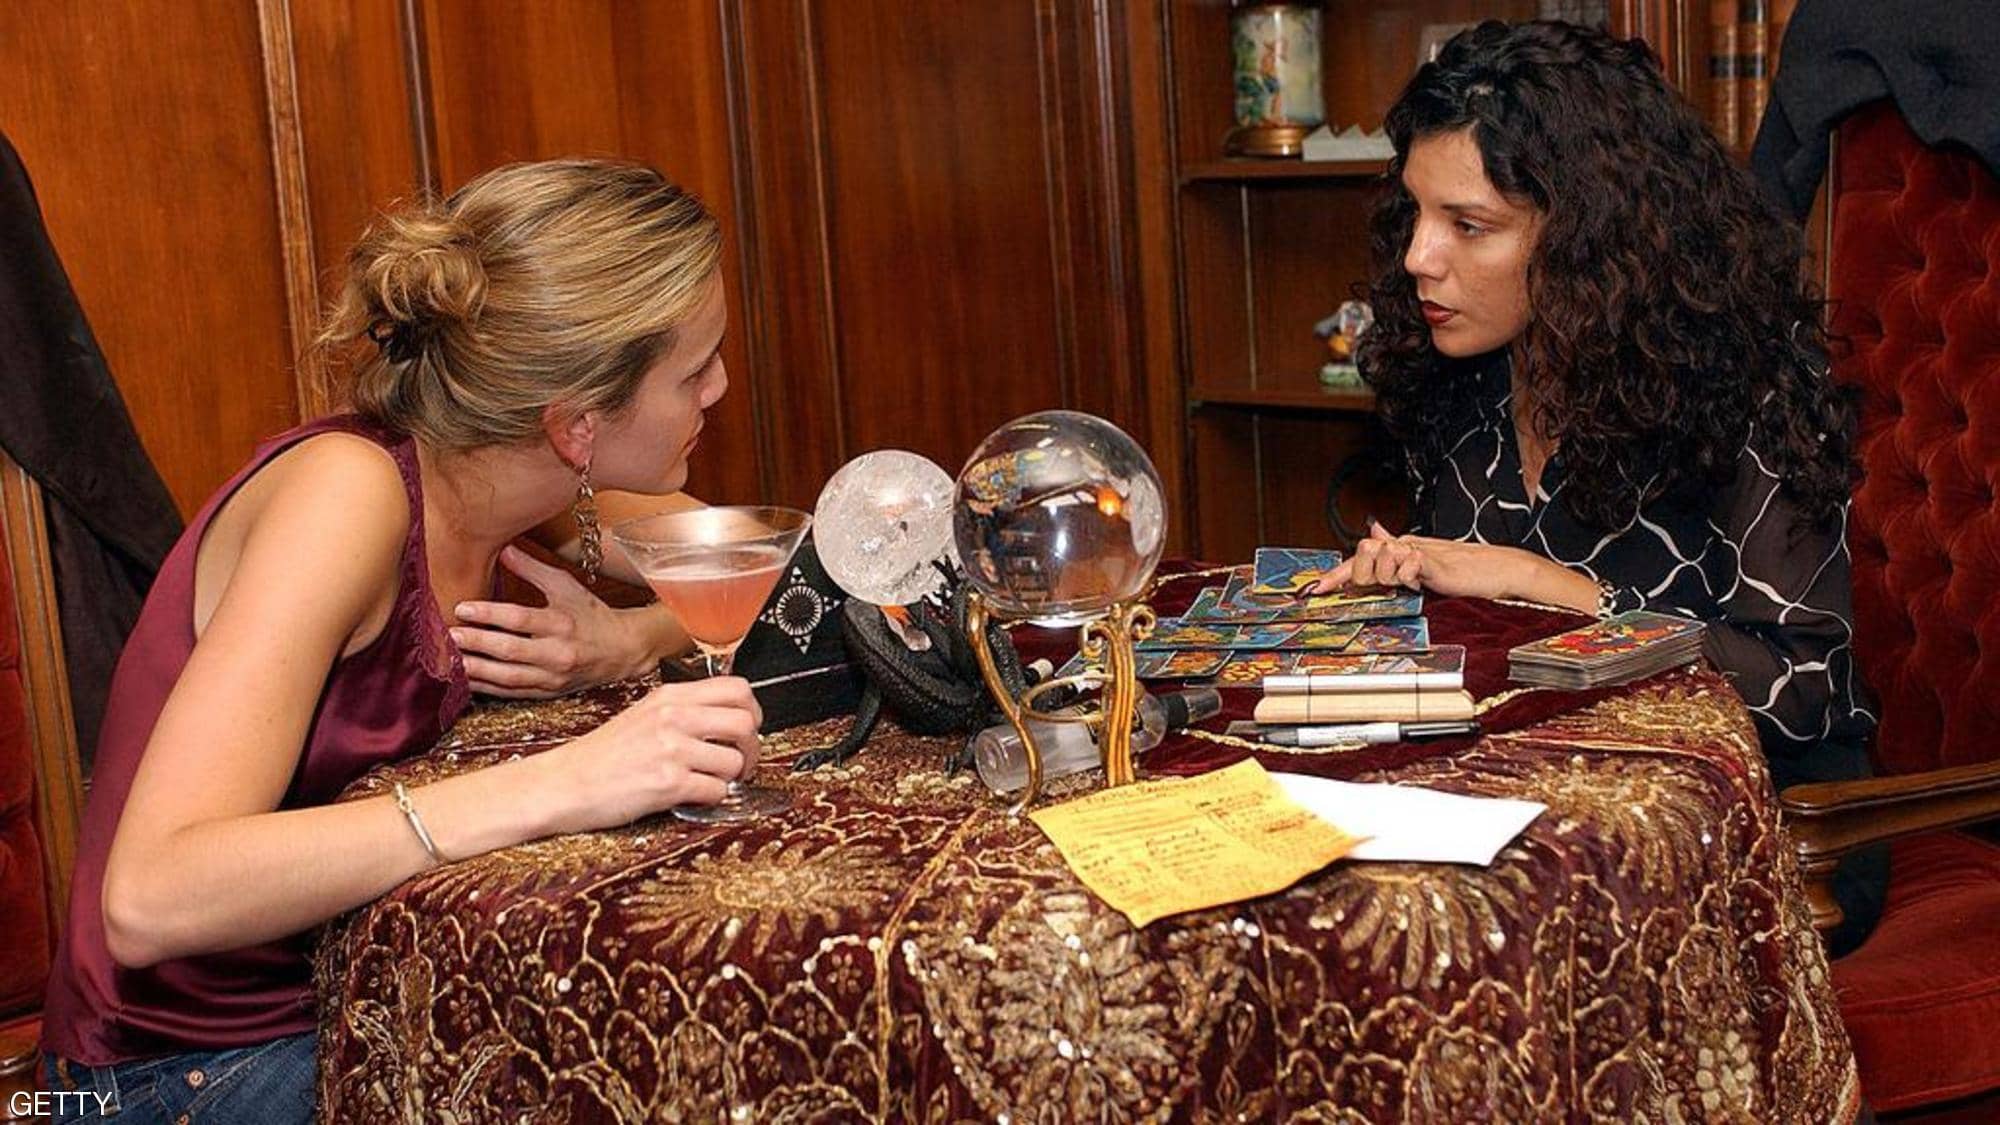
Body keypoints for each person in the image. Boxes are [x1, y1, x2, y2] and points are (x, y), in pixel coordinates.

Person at [38, 159, 766, 1122]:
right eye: (693, 368)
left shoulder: (517, 477)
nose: (719, 386)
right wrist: (568, 780)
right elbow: (150, 896)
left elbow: (765, 560)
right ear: (577, 425)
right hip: (175, 1068)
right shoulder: (346, 500)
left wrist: (628, 639)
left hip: (355, 996)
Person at [1312, 21, 1883, 954]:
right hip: (1543, 800)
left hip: (1761, 827)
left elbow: (1799, 691)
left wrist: (1551, 587)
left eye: (1468, 225)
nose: (1418, 257)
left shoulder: (1748, 379)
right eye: (1415, 213)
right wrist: (1402, 592)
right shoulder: (1457, 376)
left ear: (1585, 232)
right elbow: (1486, 650)